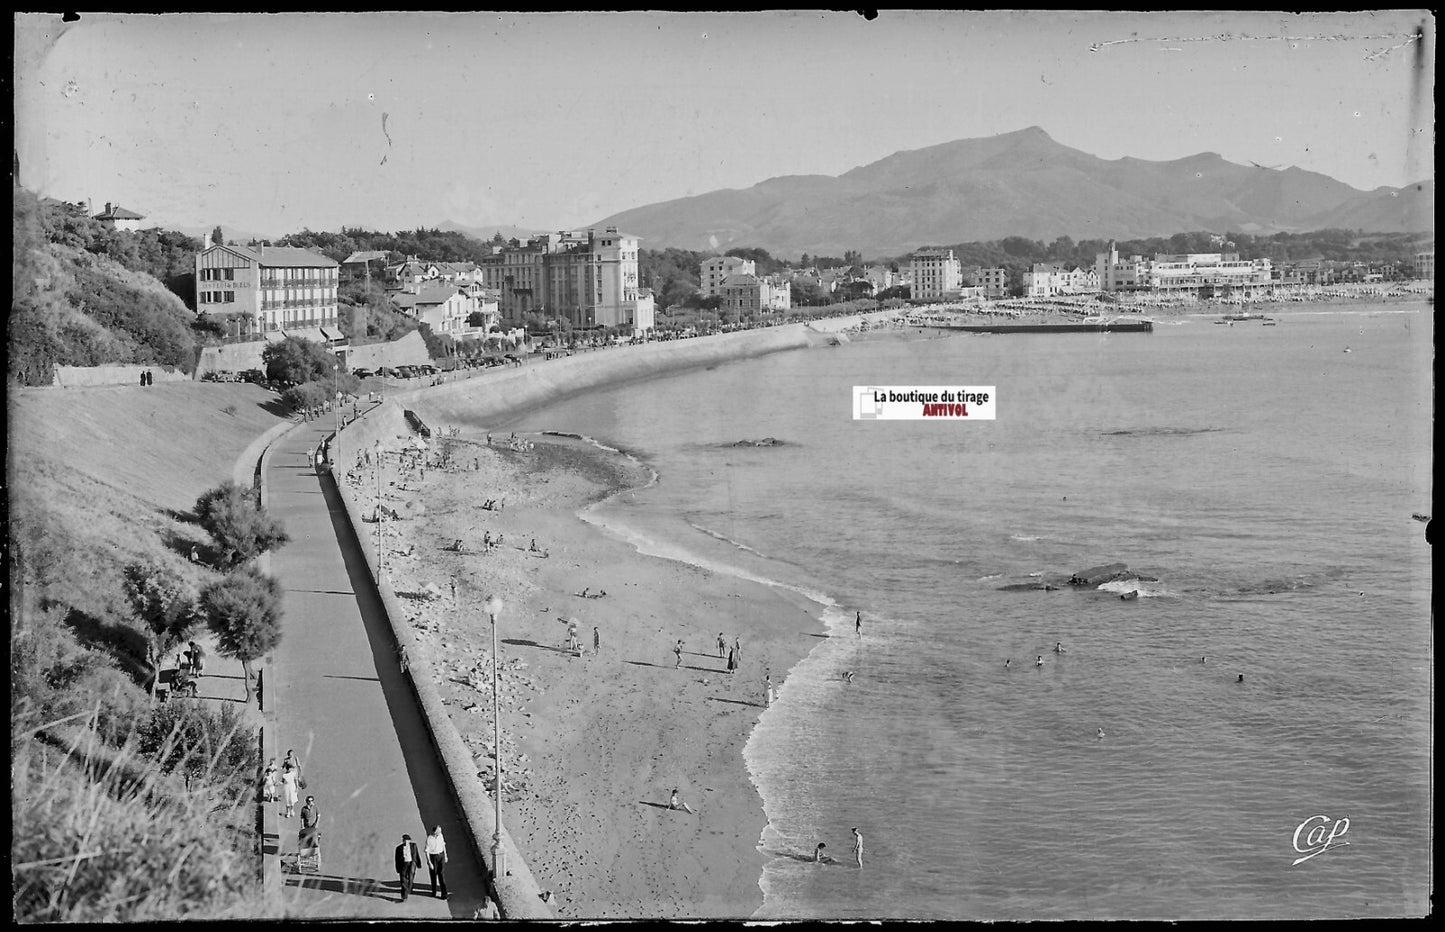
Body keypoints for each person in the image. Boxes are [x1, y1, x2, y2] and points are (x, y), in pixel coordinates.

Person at [395, 833, 421, 901]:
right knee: (403, 878)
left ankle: (409, 888)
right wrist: (397, 868)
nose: (405, 842)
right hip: (403, 864)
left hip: (411, 863)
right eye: (404, 840)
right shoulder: (398, 848)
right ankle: (404, 896)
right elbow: (397, 859)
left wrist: (418, 864)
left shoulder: (414, 845)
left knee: (411, 876)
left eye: (407, 840)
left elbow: (416, 854)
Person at [425, 825, 448, 899]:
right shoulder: (429, 839)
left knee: (441, 874)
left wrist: (445, 855)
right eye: (438, 831)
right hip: (433, 857)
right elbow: (427, 851)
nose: (440, 832)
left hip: (441, 856)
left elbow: (443, 845)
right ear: (435, 832)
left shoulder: (440, 836)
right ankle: (433, 892)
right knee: (433, 875)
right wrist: (429, 862)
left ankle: (444, 894)